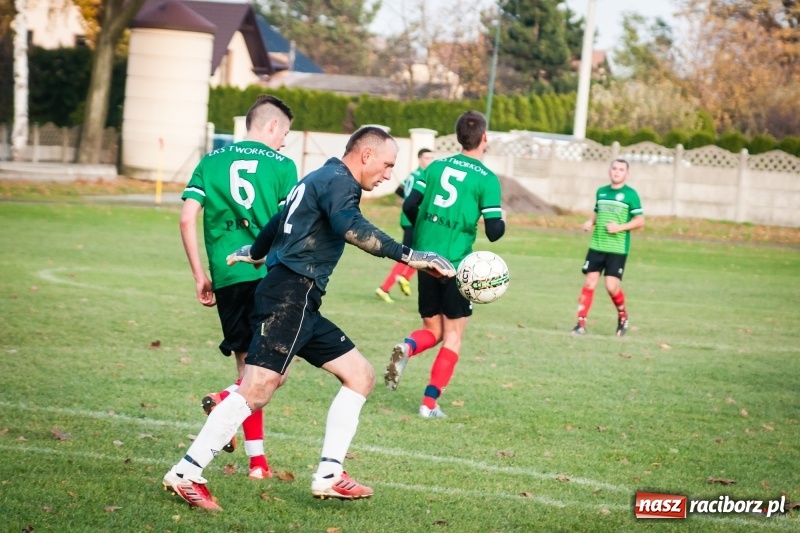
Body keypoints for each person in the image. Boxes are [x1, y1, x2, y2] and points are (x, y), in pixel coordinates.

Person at [163, 126, 456, 510]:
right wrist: (410, 255)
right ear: (366, 155)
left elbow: (277, 220)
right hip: (290, 297)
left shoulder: (319, 177)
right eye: (387, 165)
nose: (389, 175)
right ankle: (186, 472)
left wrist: (255, 252)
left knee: (361, 375)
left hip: (300, 300)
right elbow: (350, 226)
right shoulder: (340, 182)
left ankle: (330, 474)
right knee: (258, 388)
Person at [179, 94, 297, 480]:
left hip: (226, 277)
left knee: (250, 369)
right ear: (272, 126)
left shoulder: (210, 161)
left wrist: (200, 274)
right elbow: (288, 224)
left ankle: (257, 463)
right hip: (267, 276)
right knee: (273, 372)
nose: (284, 142)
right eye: (285, 134)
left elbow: (186, 219)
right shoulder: (283, 166)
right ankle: (223, 399)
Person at [384, 110, 505, 419]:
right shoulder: (487, 179)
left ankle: (409, 347)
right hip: (455, 265)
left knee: (433, 329)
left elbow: (410, 204)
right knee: (453, 335)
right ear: (484, 138)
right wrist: (499, 219)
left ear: (459, 137)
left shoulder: (435, 166)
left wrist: (426, 233)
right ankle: (429, 403)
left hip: (426, 260)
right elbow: (494, 232)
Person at [571, 158, 644, 336]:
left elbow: (640, 221)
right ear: (609, 171)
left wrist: (620, 227)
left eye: (621, 169)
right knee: (589, 282)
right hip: (597, 245)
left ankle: (623, 316)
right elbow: (597, 212)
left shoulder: (630, 194)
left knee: (612, 287)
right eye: (614, 168)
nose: (617, 172)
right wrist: (590, 222)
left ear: (627, 174)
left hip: (617, 248)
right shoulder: (601, 192)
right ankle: (580, 324)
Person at [375, 148, 435, 303]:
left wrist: (409, 199)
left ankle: (403, 278)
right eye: (427, 158)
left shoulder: (413, 175)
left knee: (420, 252)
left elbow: (399, 190)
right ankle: (387, 286)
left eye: (432, 158)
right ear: (420, 159)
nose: (430, 161)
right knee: (413, 254)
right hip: (413, 219)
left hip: (407, 218)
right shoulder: (422, 176)